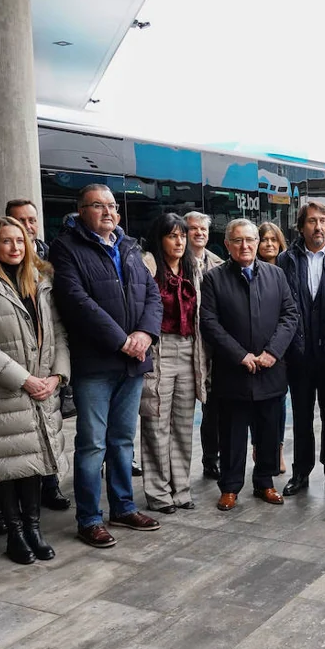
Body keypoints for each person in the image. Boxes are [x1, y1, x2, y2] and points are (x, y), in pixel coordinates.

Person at [49, 184, 162, 548]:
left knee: (122, 441)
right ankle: (89, 518)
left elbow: (152, 294)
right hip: (96, 364)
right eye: (99, 206)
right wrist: (122, 340)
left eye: (112, 205)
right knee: (92, 445)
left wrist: (145, 334)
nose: (109, 212)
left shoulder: (129, 246)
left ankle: (123, 507)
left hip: (134, 363)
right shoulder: (66, 248)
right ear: (81, 210)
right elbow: (76, 302)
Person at [0, 216, 70, 564]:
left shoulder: (41, 282)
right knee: (7, 463)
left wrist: (56, 376)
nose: (15, 247)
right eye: (6, 241)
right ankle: (16, 534)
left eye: (20, 241)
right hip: (4, 390)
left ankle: (34, 529)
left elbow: (60, 334)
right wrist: (25, 379)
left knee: (34, 463)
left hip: (41, 389)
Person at [199, 218, 299, 512]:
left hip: (270, 368)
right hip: (234, 370)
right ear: (227, 245)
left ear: (258, 243)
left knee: (269, 429)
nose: (245, 246)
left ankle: (264, 482)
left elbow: (290, 315)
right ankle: (230, 488)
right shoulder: (214, 278)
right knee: (231, 433)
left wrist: (272, 352)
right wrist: (240, 355)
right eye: (238, 240)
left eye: (250, 240)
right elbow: (209, 322)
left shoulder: (276, 275)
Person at [277, 201, 325, 499]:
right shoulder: (286, 260)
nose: (318, 226)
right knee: (301, 416)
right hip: (298, 354)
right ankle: (301, 472)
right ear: (301, 226)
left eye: (323, 220)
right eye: (311, 221)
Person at [6, 197, 72, 513]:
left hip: (49, 365)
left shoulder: (51, 258)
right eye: (20, 221)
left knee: (50, 430)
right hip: (16, 370)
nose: (29, 227)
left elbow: (58, 321)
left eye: (32, 220)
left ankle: (51, 486)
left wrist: (58, 372)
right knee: (19, 441)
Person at [139, 213, 208, 513]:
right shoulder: (148, 266)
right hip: (158, 348)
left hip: (189, 348)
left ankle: (181, 489)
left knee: (182, 424)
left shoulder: (193, 268)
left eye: (183, 235)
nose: (180, 241)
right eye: (172, 235)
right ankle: (158, 493)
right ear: (160, 238)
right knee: (155, 423)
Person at [186, 210, 225, 479]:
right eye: (193, 229)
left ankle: (211, 459)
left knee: (214, 410)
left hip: (213, 348)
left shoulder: (219, 265)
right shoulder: (172, 263)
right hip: (185, 345)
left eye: (203, 229)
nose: (199, 233)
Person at [257, 221, 289, 474]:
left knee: (278, 404)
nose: (269, 244)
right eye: (264, 239)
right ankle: (258, 448)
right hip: (254, 350)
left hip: (282, 349)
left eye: (273, 240)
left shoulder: (286, 269)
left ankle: (276, 450)